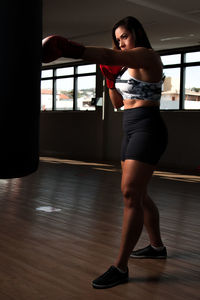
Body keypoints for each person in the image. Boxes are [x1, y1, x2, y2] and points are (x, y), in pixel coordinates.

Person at [42, 16, 168, 289]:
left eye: (125, 36)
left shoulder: (147, 57)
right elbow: (117, 103)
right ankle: (157, 247)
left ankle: (120, 267)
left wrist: (72, 49)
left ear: (137, 34)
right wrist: (110, 79)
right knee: (139, 194)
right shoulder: (123, 68)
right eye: (118, 39)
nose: (121, 43)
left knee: (130, 195)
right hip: (130, 126)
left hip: (148, 128)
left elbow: (107, 54)